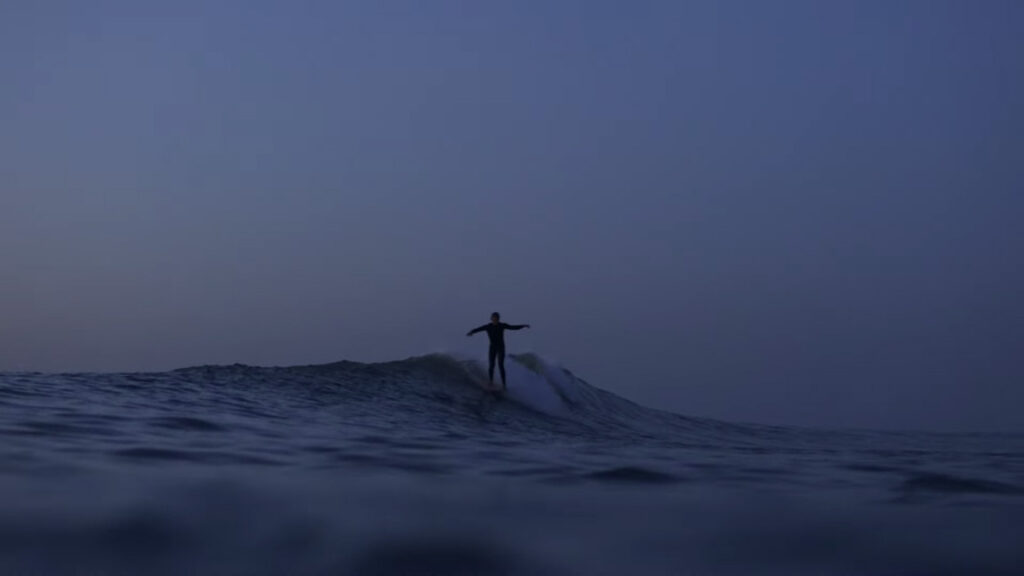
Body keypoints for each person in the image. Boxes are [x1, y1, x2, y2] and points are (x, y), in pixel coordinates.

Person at [466, 312, 530, 390]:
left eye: (496, 318)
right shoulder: (488, 326)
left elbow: (513, 327)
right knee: (491, 365)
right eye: (494, 318)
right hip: (492, 348)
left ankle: (504, 385)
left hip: (501, 348)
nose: (495, 320)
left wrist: (523, 326)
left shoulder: (502, 325)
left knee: (500, 365)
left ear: (498, 319)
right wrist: (471, 332)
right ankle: (491, 382)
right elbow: (478, 329)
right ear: (491, 319)